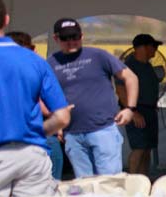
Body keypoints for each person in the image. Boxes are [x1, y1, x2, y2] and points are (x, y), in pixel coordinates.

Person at [0, 0, 69, 197]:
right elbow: (62, 117)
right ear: (6, 19)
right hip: (32, 156)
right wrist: (36, 131)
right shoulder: (35, 60)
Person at [47, 18, 140, 178]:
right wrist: (56, 121)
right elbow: (46, 95)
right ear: (56, 39)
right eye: (65, 38)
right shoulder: (51, 62)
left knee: (109, 184)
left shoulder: (98, 55)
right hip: (73, 134)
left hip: (103, 130)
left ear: (81, 36)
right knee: (84, 187)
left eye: (74, 37)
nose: (71, 42)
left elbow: (130, 78)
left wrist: (130, 109)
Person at [9, 33, 64, 182]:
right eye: (32, 48)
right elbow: (57, 113)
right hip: (34, 141)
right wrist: (54, 128)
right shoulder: (37, 67)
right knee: (47, 190)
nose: (35, 52)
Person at [123, 33, 163, 177]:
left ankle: (144, 181)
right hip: (137, 111)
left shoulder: (148, 66)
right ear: (143, 48)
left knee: (147, 149)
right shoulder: (129, 66)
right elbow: (121, 90)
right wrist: (132, 111)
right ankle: (133, 181)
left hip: (150, 110)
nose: (156, 50)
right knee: (139, 148)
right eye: (154, 46)